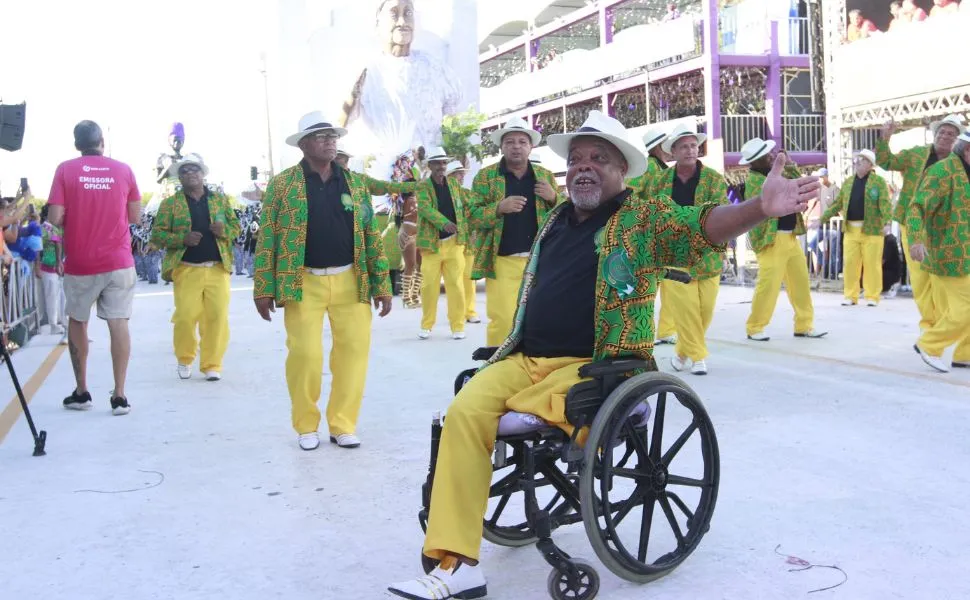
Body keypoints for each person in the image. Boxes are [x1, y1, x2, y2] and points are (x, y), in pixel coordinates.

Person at [386, 111, 821, 599]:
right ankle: (458, 563)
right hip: (526, 360)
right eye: (576, 160)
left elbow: (701, 225)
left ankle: (485, 490)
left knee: (533, 407)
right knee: (464, 410)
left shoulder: (644, 217)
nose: (584, 167)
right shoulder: (554, 219)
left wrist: (759, 208)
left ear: (622, 171)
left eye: (599, 158)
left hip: (599, 365)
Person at [253, 112, 393, 451]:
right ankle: (306, 425)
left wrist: (382, 283)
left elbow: (369, 232)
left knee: (353, 353)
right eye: (321, 136)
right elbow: (268, 236)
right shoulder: (283, 184)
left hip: (350, 278)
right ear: (303, 145)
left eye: (333, 136)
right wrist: (264, 288)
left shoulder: (355, 183)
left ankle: (342, 423)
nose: (330, 141)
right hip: (303, 281)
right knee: (305, 356)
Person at [47, 120, 141, 416]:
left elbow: (54, 216)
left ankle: (81, 391)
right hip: (118, 261)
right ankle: (120, 396)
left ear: (77, 145)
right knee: (119, 322)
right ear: (102, 142)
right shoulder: (124, 170)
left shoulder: (65, 169)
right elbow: (135, 216)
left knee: (78, 321)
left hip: (80, 262)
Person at [467, 116, 564, 346]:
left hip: (540, 261)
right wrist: (499, 208)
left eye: (522, 141)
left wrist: (554, 198)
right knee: (501, 319)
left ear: (531, 147)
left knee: (541, 317)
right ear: (501, 146)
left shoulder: (545, 176)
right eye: (510, 142)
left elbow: (567, 214)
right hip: (503, 260)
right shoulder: (486, 177)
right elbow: (470, 215)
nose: (516, 146)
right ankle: (495, 366)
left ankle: (531, 365)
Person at [647, 124, 729, 375]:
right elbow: (652, 213)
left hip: (707, 254)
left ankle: (683, 352)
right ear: (672, 152)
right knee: (686, 308)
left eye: (693, 145)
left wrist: (725, 248)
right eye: (684, 146)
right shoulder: (660, 181)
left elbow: (722, 213)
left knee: (705, 310)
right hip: (673, 253)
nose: (690, 150)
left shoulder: (714, 179)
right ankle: (698, 357)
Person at [151, 154, 240, 381]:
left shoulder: (220, 200)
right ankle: (185, 358)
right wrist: (182, 239)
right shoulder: (170, 204)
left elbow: (236, 228)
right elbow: (158, 235)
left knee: (217, 317)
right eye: (185, 171)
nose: (190, 174)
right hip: (186, 268)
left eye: (195, 170)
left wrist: (224, 231)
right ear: (179, 177)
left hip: (218, 268)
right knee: (185, 317)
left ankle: (212, 364)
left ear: (203, 174)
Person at [876, 115, 964, 330]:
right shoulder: (916, 154)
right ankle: (930, 325)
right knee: (920, 277)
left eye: (950, 133)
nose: (945, 136)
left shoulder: (960, 163)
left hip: (946, 227)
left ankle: (945, 325)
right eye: (942, 132)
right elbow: (886, 162)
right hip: (914, 222)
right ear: (935, 134)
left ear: (957, 139)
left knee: (943, 277)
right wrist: (884, 138)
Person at [738, 138, 826, 342]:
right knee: (768, 286)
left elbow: (798, 184)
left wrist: (790, 163)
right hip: (771, 240)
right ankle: (755, 326)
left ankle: (804, 325)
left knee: (800, 282)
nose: (771, 156)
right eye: (766, 155)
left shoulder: (774, 174)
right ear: (755, 161)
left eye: (770, 153)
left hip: (790, 235)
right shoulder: (755, 181)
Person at [908, 131, 970, 372]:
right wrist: (914, 240)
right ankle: (929, 344)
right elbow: (917, 207)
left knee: (957, 309)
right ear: (967, 151)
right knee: (965, 307)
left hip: (965, 253)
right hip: (949, 253)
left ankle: (964, 354)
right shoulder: (942, 172)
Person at [820, 150, 892, 307]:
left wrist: (887, 222)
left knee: (872, 265)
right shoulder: (848, 182)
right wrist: (822, 219)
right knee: (850, 264)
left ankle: (872, 296)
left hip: (872, 230)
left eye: (863, 159)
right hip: (851, 230)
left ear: (870, 165)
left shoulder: (878, 182)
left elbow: (885, 203)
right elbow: (837, 203)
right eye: (857, 159)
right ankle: (850, 295)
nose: (858, 161)